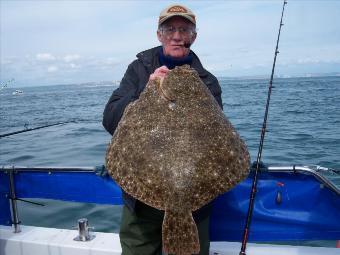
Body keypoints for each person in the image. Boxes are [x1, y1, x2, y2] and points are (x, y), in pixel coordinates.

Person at [103, 4, 223, 255]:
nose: (177, 36)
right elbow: (110, 119)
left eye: (184, 29)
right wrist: (145, 89)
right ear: (159, 35)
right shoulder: (139, 69)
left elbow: (218, 139)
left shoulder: (208, 81)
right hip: (141, 203)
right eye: (170, 29)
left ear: (194, 36)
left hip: (193, 205)